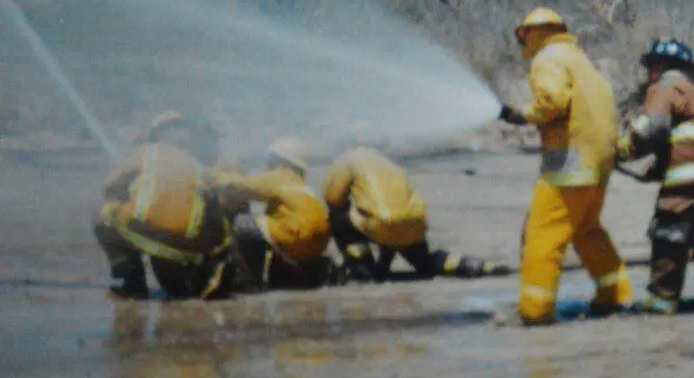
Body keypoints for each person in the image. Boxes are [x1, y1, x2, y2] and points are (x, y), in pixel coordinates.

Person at [498, 6, 633, 324]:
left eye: (523, 36)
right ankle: (615, 295)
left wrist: (521, 115)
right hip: (597, 166)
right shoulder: (582, 61)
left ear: (534, 33)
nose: (522, 44)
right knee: (587, 231)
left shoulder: (548, 59)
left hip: (568, 162)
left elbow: (553, 102)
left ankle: (535, 310)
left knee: (543, 233)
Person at [618, 38, 694, 314]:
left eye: (652, 66)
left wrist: (622, 149)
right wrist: (659, 169)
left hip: (686, 182)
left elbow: (654, 128)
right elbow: (686, 139)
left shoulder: (666, 86)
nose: (649, 74)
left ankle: (662, 299)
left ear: (662, 66)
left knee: (669, 234)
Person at [323, 140, 510, 282]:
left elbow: (333, 199)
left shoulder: (349, 160)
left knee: (338, 216)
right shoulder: (387, 163)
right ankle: (474, 265)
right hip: (414, 224)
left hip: (382, 224)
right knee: (425, 263)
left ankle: (361, 267)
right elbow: (394, 207)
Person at [93, 110, 234, 299]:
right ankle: (205, 273)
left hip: (153, 235)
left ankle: (130, 282)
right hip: (190, 248)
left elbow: (110, 186)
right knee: (177, 289)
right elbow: (216, 211)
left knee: (101, 216)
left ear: (155, 135)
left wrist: (125, 196)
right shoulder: (199, 164)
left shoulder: (145, 153)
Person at [209, 137, 334, 290]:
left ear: (280, 161)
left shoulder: (281, 175)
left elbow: (242, 185)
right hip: (317, 244)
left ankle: (248, 280)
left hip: (294, 234)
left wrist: (210, 177)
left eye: (271, 160)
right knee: (268, 229)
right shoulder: (301, 183)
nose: (268, 165)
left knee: (242, 223)